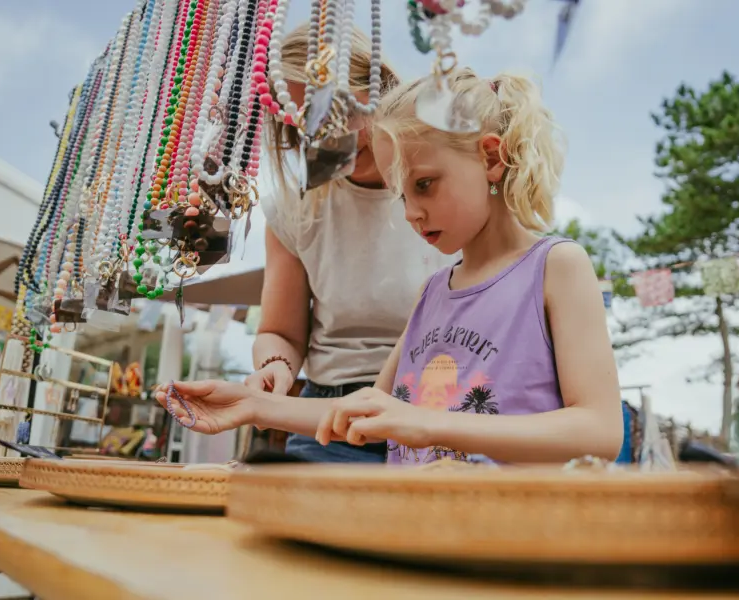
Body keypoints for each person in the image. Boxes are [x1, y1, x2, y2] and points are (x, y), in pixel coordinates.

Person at [160, 69, 624, 464]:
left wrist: (428, 423)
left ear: (491, 157)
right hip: (414, 523)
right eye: (401, 195)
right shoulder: (432, 292)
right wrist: (250, 405)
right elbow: (367, 411)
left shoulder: (556, 267)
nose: (411, 214)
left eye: (424, 184)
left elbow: (600, 430)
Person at [248, 24, 457, 463]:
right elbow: (280, 332)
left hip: (446, 413)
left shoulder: (455, 186)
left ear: (379, 88)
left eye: (340, 112)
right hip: (333, 422)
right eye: (308, 125)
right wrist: (275, 367)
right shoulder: (293, 211)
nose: (332, 138)